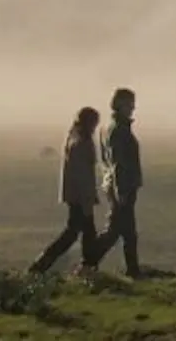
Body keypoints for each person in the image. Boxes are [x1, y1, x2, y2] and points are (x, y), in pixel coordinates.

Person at [28, 107, 103, 274]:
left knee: (81, 232)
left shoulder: (73, 138)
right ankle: (42, 266)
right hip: (80, 196)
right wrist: (87, 200)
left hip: (74, 195)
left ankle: (86, 266)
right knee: (75, 234)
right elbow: (84, 175)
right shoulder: (83, 143)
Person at [83, 86, 146, 275]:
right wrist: (122, 190)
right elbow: (119, 162)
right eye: (129, 104)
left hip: (115, 184)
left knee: (126, 231)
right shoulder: (119, 130)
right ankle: (89, 262)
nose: (133, 108)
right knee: (117, 230)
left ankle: (132, 269)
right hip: (122, 185)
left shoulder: (108, 128)